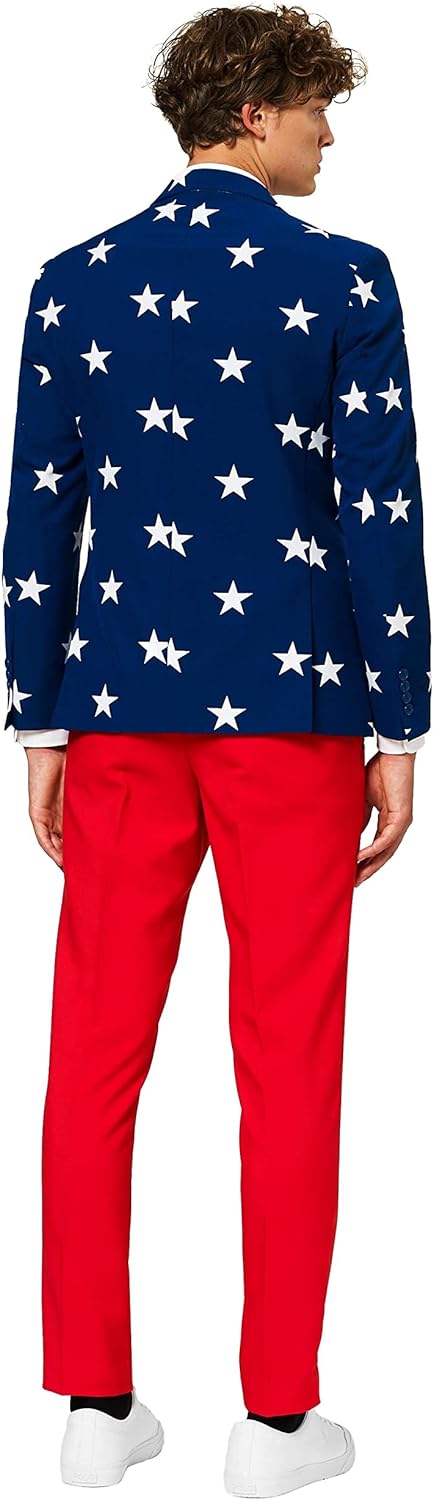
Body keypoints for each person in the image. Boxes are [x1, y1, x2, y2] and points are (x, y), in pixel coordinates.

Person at [2, 4, 431, 1494]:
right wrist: (401, 718)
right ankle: (276, 1423)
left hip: (118, 714)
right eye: (314, 105)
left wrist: (37, 713)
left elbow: (37, 512)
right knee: (289, 1057)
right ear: (252, 108)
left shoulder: (72, 281)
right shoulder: (344, 277)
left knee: (92, 1055)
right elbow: (381, 508)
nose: (329, 132)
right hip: (295, 724)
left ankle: (93, 1406)